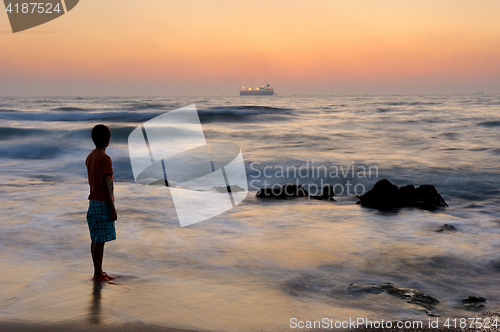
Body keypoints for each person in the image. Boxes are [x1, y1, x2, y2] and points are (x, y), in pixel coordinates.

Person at [85, 124, 118, 283]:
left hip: (93, 202)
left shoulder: (91, 156)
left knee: (96, 238)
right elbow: (105, 185)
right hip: (102, 202)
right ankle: (98, 274)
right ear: (108, 140)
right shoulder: (105, 159)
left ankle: (98, 272)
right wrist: (112, 208)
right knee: (100, 240)